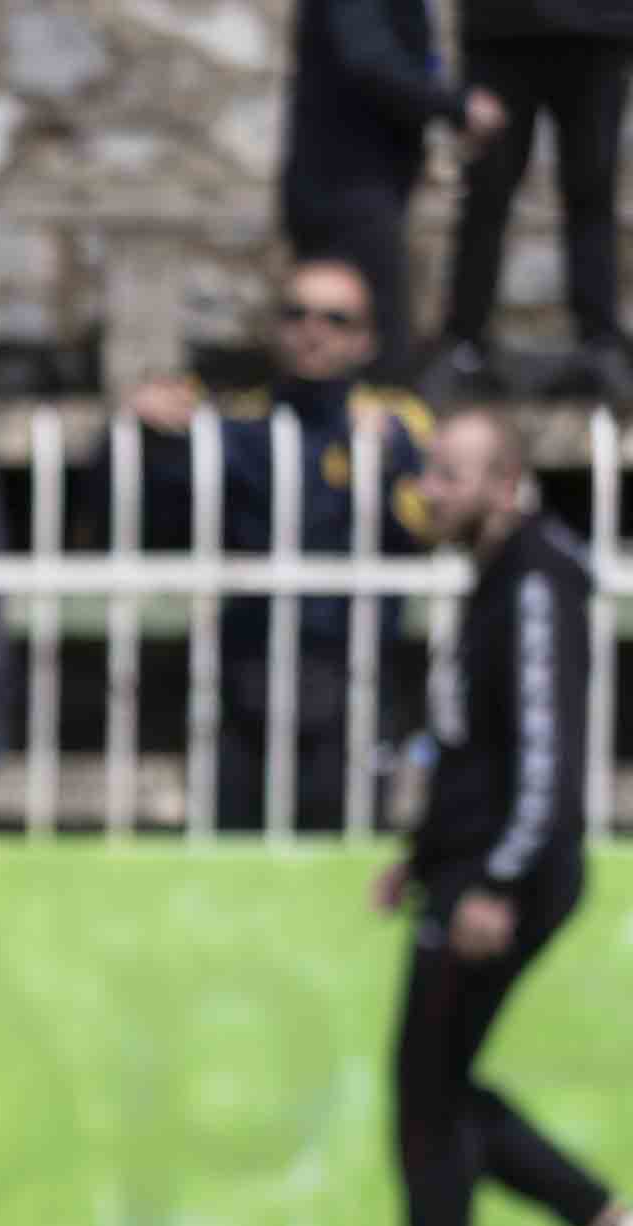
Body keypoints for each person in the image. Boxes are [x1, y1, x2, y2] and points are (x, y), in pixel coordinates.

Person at [322, 397, 633, 1226]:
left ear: (506, 485)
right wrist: (420, 859)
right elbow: (474, 748)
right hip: (467, 866)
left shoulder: (536, 579)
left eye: (451, 474)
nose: (431, 490)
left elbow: (547, 756)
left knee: (427, 1088)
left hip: (508, 873)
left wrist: (495, 879)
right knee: (436, 1086)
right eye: (429, 471)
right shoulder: (494, 576)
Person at [131, 258, 435, 833]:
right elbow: (149, 512)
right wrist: (142, 423)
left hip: (354, 680)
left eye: (336, 319)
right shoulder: (241, 422)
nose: (313, 331)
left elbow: (429, 523)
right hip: (244, 679)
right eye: (296, 314)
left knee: (347, 856)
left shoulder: (396, 422)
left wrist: (390, 459)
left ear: (367, 340)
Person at [286, 0, 485, 379]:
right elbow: (370, 59)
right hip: (344, 184)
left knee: (361, 344)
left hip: (356, 182)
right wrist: (457, 106)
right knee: (370, 348)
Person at [448, 0, 627, 392]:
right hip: (500, 31)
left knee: (591, 193)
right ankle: (464, 343)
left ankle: (599, 343)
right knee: (487, 195)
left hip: (596, 31)